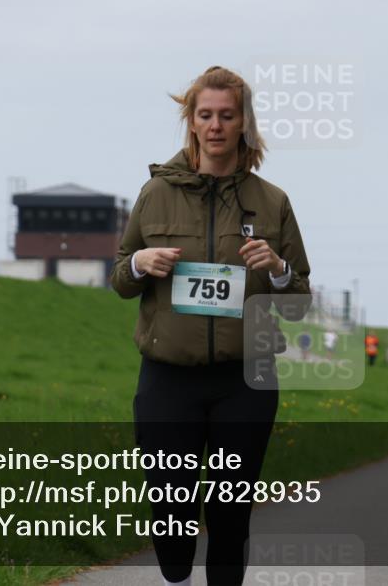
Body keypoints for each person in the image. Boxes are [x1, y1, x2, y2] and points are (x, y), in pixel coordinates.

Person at [110, 66, 312, 586]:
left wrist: (279, 269)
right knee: (173, 525)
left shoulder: (272, 202)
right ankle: (175, 557)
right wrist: (140, 263)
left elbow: (299, 301)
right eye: (206, 115)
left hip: (246, 378)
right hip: (167, 378)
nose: (217, 125)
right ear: (191, 121)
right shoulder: (155, 193)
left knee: (229, 514)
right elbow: (120, 277)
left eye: (228, 115)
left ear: (244, 122)